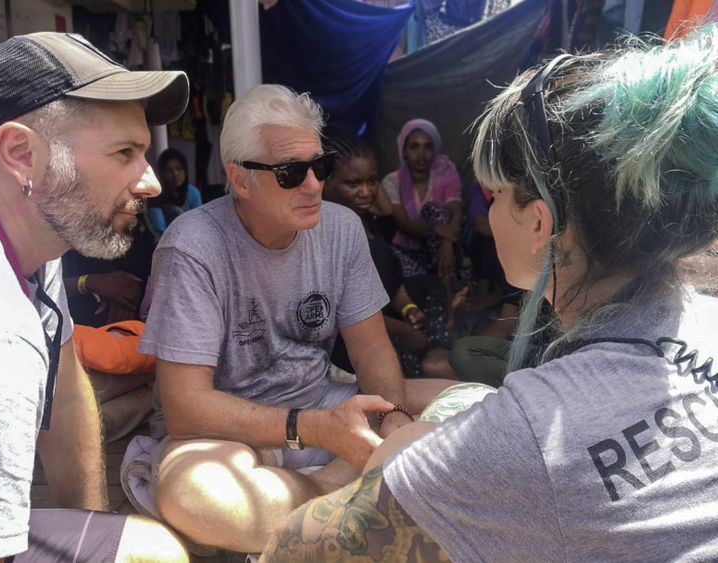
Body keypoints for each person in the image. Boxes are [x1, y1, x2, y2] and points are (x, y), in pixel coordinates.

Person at [262, 25, 718, 561]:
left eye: (495, 195)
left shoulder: (529, 436)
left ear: (539, 223)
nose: (490, 212)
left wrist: (399, 461)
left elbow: (297, 547)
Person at [137, 84, 454, 553]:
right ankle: (338, 494)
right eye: (291, 172)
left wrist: (389, 418)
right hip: (233, 431)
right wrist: (317, 430)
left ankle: (323, 503)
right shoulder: (193, 247)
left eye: (320, 166)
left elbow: (370, 349)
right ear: (240, 180)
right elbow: (186, 409)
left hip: (324, 399)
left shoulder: (341, 228)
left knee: (475, 403)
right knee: (194, 495)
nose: (313, 185)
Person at [0, 32, 192, 561]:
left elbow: (66, 393)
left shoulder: (31, 243)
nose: (152, 182)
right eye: (125, 153)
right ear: (21, 153)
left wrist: (92, 532)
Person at [322, 131, 458, 379]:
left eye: (372, 181)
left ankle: (436, 348)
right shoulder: (328, 237)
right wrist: (407, 332)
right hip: (357, 339)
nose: (366, 192)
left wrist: (409, 309)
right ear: (326, 182)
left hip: (389, 315)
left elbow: (393, 283)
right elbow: (346, 315)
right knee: (403, 363)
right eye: (353, 184)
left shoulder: (367, 221)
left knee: (431, 285)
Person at [382, 118, 463, 284]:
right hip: (406, 248)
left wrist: (447, 241)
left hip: (441, 248)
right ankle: (437, 286)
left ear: (435, 150)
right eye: (414, 146)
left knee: (434, 210)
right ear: (404, 151)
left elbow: (456, 209)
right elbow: (403, 223)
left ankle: (447, 286)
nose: (421, 154)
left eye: (428, 146)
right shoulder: (393, 181)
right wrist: (439, 230)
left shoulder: (445, 172)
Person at [147, 147, 203, 234]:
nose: (175, 174)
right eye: (169, 171)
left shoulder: (192, 192)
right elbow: (159, 230)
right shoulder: (155, 194)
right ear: (162, 174)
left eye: (179, 169)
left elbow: (198, 224)